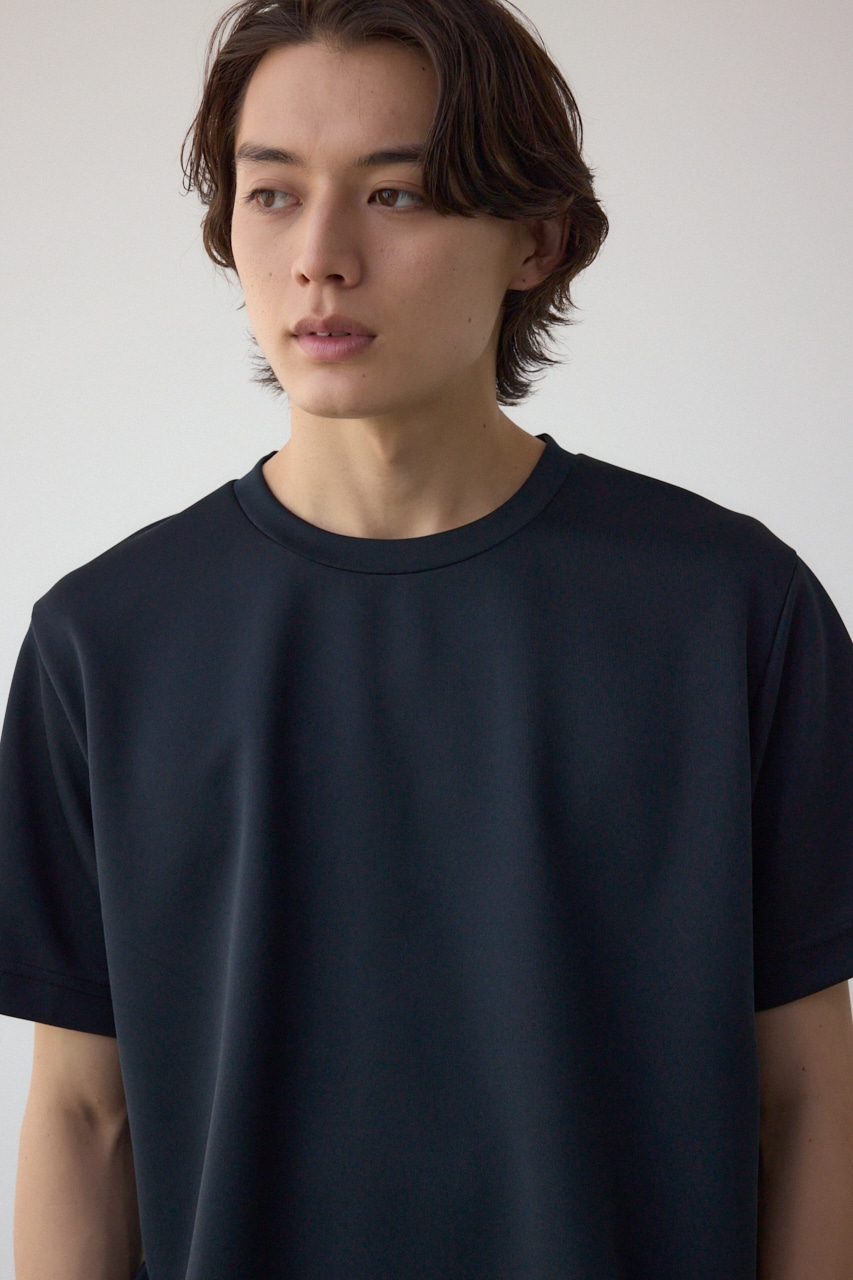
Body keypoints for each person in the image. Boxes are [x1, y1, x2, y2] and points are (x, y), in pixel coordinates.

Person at [3, 0, 853, 1275]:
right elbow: (84, 1117)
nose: (320, 258)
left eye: (394, 194)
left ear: (535, 239)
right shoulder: (103, 642)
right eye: (272, 194)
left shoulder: (733, 611)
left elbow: (812, 1094)